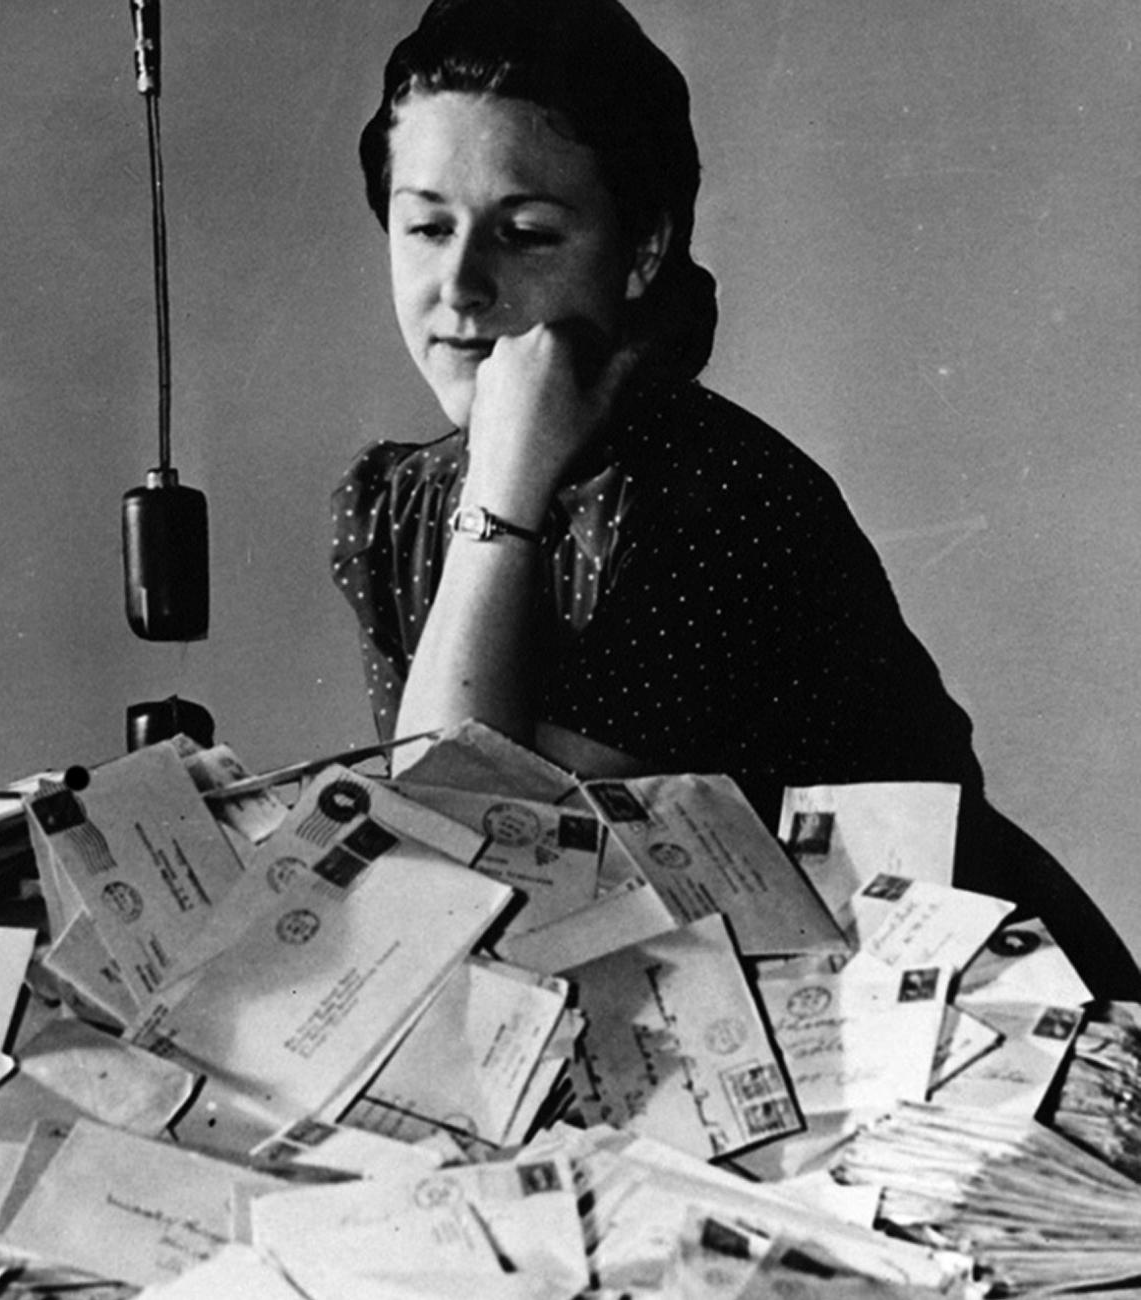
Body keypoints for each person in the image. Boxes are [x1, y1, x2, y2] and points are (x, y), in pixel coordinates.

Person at [331, 0, 1141, 996]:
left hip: (954, 1025)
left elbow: (489, 858)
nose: (458, 284)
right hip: (706, 1034)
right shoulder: (393, 507)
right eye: (424, 226)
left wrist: (499, 485)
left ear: (639, 250)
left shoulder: (707, 498)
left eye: (526, 234)